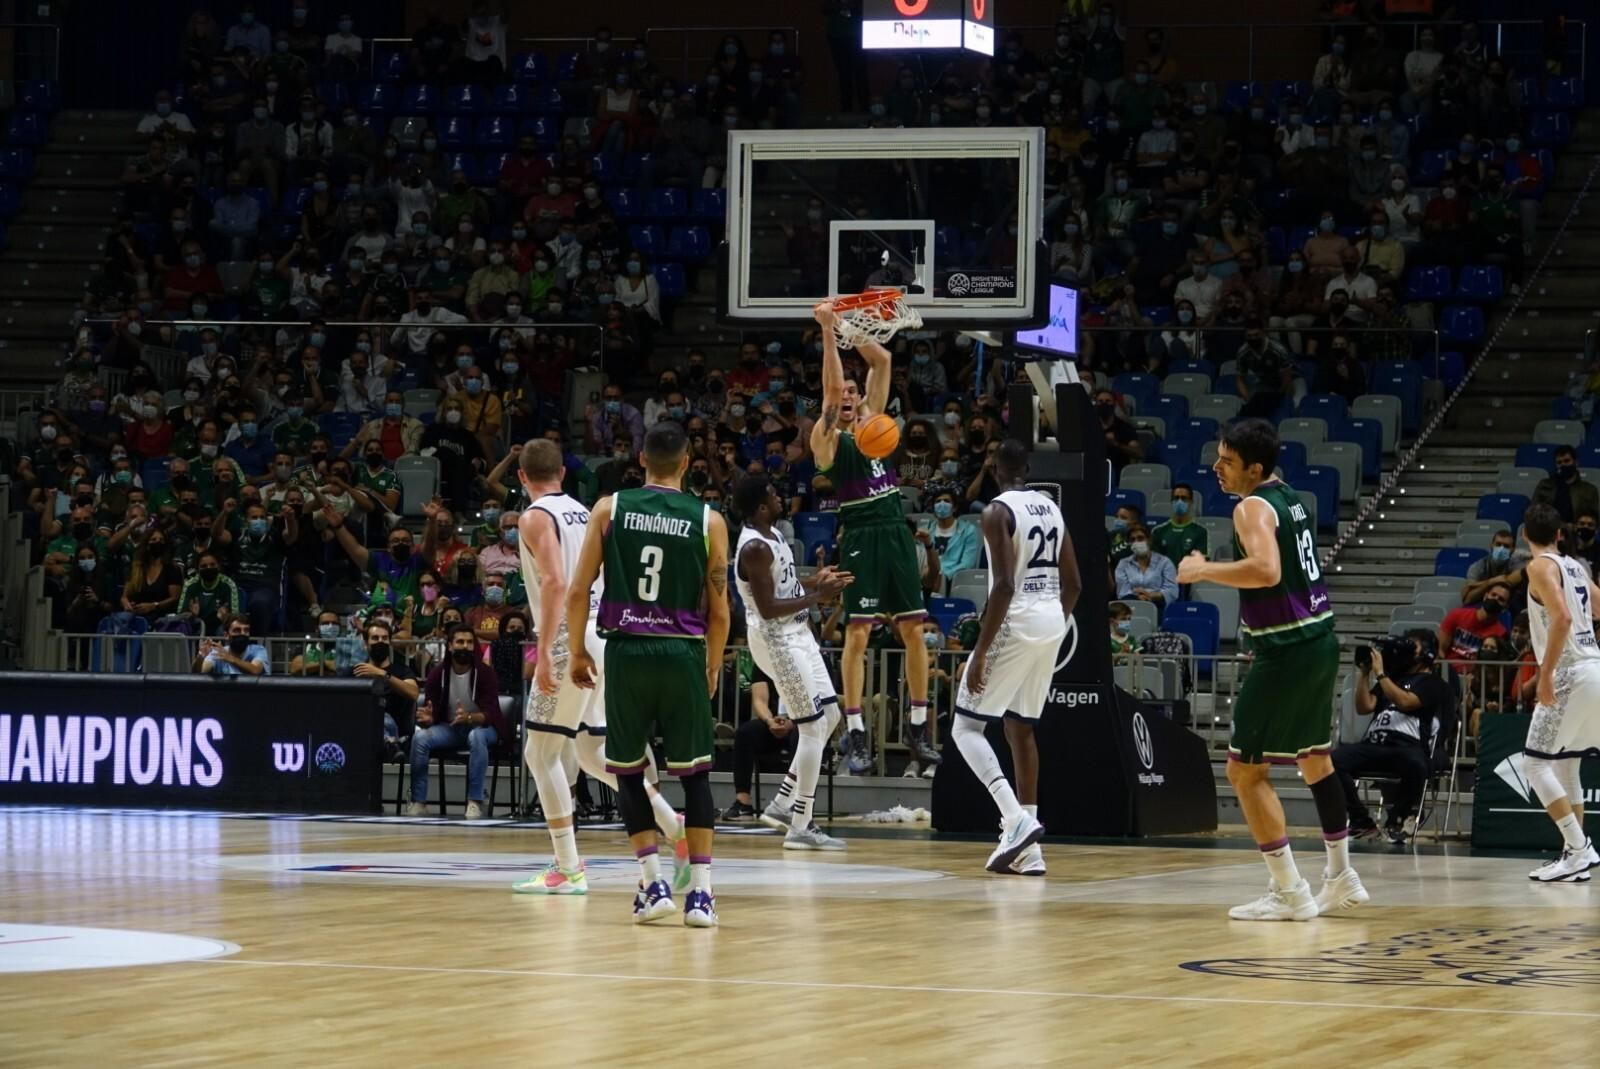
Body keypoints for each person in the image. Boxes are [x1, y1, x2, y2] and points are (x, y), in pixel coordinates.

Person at [1177, 418, 1367, 920]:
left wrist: (1203, 570)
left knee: (1244, 770)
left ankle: (1289, 891)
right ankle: (1341, 875)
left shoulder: (1251, 507)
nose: (1215, 468)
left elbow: (1266, 570)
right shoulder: (1295, 497)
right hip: (1320, 638)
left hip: (1286, 649)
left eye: (1226, 461)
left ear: (1254, 468)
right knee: (1315, 761)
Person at [566, 421, 731, 926]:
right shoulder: (709, 520)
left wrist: (577, 652)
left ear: (641, 459)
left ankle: (653, 884)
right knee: (696, 775)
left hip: (627, 651)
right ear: (686, 463)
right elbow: (721, 610)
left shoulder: (609, 508)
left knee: (629, 773)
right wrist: (712, 663)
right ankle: (700, 895)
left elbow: (577, 591)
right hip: (682, 651)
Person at [511, 439, 687, 896]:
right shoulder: (586, 510)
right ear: (564, 474)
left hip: (572, 636)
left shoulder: (533, 517)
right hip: (603, 635)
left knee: (541, 753)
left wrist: (545, 648)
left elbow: (554, 581)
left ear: (521, 477)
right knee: (592, 753)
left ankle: (568, 867)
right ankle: (675, 826)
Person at [810, 302, 935, 776]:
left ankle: (919, 727)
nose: (846, 395)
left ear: (862, 399)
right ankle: (857, 732)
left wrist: (848, 327)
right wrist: (828, 333)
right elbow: (828, 395)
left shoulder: (875, 424)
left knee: (913, 630)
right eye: (840, 392)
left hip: (895, 533)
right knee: (858, 632)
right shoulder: (828, 440)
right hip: (861, 532)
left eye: (852, 391)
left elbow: (881, 361)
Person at [953, 440, 1082, 876]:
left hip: (1017, 616)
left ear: (992, 468)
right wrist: (1053, 624)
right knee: (1020, 726)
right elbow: (1076, 583)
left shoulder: (996, 512)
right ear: (1028, 469)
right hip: (1051, 620)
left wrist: (982, 651)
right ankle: (1030, 851)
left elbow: (1004, 585)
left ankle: (1015, 818)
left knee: (966, 726)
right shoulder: (1050, 507)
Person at [731, 475, 852, 850]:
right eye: (772, 493)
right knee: (813, 727)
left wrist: (815, 581)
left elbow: (784, 588)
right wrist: (819, 594)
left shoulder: (775, 534)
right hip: (777, 640)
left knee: (830, 717)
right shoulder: (753, 547)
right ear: (761, 506)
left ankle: (784, 802)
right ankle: (801, 825)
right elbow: (768, 610)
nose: (779, 496)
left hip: (798, 634)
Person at [1517, 503, 1600, 882]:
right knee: (1567, 764)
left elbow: (1563, 618)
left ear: (1524, 535)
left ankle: (1579, 848)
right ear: (1560, 534)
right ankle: (1574, 856)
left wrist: (1546, 672)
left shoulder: (1538, 566)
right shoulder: (1576, 567)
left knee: (1534, 764)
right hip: (1594, 666)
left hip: (1570, 671)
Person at [1334, 631, 1454, 843]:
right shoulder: (1391, 680)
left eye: (1412, 646)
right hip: (1376, 743)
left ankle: (1398, 819)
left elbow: (1407, 702)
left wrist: (1381, 674)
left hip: (1409, 746)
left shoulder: (1433, 683)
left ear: (1426, 654)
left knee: (1416, 763)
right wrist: (1365, 673)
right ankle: (1361, 821)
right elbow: (1364, 707)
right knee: (1334, 760)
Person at [407, 623, 507, 820]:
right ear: (450, 646)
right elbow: (433, 710)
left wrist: (469, 718)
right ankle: (418, 802)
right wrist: (430, 719)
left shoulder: (486, 673)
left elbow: (492, 713)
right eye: (460, 642)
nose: (465, 646)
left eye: (470, 642)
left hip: (483, 728)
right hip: (450, 728)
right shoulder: (438, 673)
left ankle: (475, 801)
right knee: (420, 738)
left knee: (476, 736)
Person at [1113, 523, 1178, 608]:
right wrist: (1138, 597)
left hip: (1158, 605)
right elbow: (1122, 592)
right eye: (1132, 540)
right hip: (1130, 606)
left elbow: (1171, 591)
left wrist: (1150, 595)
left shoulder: (1165, 562)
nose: (1136, 542)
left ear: (1149, 540)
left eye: (1140, 538)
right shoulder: (1123, 564)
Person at [1532, 445, 1600, 523]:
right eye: (1559, 462)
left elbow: (1594, 519)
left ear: (1576, 462)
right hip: (1549, 530)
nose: (1563, 465)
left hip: (1577, 531)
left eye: (1567, 461)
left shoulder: (1589, 490)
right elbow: (1533, 512)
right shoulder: (1544, 485)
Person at [1150, 483, 1208, 564]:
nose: (1179, 501)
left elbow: (1199, 561)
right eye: (1176, 498)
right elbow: (1155, 563)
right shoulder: (1158, 531)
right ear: (1171, 501)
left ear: (1190, 502)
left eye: (1184, 498)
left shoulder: (1200, 532)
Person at [196, 617, 270, 676]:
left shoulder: (258, 650)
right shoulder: (219, 653)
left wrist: (230, 658)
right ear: (226, 635)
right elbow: (198, 674)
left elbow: (255, 670)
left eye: (246, 630)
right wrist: (200, 658)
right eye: (237, 630)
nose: (242, 634)